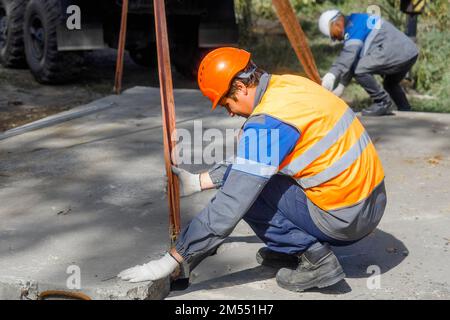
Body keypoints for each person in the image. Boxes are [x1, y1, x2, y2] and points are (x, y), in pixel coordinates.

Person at [118, 47, 387, 292]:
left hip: (345, 220)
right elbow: (252, 161)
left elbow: (231, 203)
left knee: (249, 193)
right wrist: (199, 181)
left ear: (240, 86)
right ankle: (291, 247)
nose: (231, 113)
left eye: (226, 104)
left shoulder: (268, 122)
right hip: (371, 202)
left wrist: (174, 258)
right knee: (253, 173)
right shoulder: (290, 85)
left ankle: (315, 259)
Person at [319, 9, 419, 116]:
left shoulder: (354, 27)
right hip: (409, 53)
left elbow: (348, 56)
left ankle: (382, 101)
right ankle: (405, 110)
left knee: (360, 69)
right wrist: (341, 87)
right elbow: (353, 59)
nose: (336, 39)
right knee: (390, 84)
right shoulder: (357, 22)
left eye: (333, 35)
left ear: (337, 23)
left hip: (397, 52)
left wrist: (332, 74)